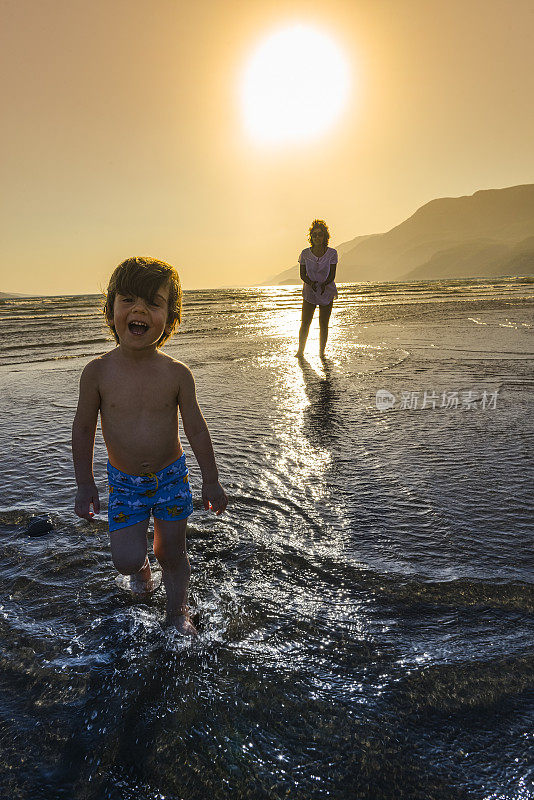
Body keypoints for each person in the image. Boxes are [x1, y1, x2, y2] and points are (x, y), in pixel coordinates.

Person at [72, 256, 227, 636]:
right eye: (128, 300)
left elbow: (196, 428)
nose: (139, 309)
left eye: (153, 303)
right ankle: (141, 570)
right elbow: (83, 428)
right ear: (111, 310)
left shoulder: (176, 374)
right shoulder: (98, 372)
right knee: (125, 560)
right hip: (124, 483)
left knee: (171, 553)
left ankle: (177, 612)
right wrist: (85, 483)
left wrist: (211, 480)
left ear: (170, 318)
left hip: (171, 477)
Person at [296, 219, 338, 358]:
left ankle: (321, 352)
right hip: (310, 291)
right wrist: (312, 283)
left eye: (320, 234)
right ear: (311, 237)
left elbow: (332, 275)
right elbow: (303, 274)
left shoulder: (332, 253)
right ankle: (300, 351)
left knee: (323, 324)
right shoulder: (305, 253)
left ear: (325, 236)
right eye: (314, 235)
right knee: (305, 323)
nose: (317, 237)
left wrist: (323, 285)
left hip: (326, 291)